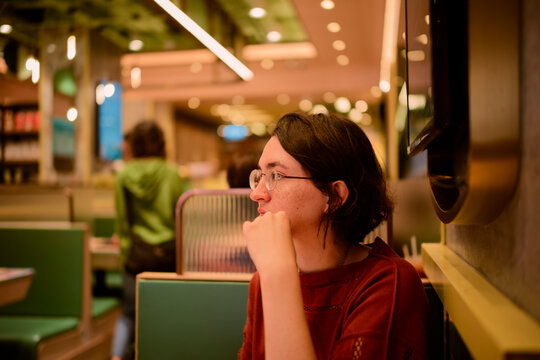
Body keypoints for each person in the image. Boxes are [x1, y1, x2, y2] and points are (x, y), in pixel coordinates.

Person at [238, 112, 428, 359]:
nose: (258, 194)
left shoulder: (388, 282)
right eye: (260, 176)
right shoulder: (262, 281)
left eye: (277, 176)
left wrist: (278, 275)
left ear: (335, 195)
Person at [111, 120, 189, 360]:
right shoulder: (172, 173)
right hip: (168, 255)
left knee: (128, 314)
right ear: (161, 143)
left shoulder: (123, 176)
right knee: (167, 314)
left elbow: (123, 225)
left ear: (134, 144)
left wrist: (125, 256)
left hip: (137, 253)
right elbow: (183, 217)